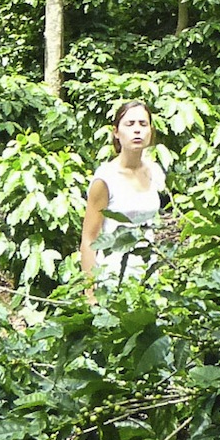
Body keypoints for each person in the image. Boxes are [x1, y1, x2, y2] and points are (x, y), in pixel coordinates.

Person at [80, 99, 166, 295]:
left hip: (148, 277)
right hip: (112, 280)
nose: (137, 130)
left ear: (151, 131)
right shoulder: (105, 179)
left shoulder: (155, 172)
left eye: (143, 124)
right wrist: (90, 295)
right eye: (130, 124)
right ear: (116, 132)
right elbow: (89, 240)